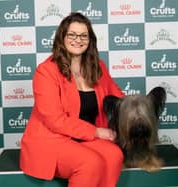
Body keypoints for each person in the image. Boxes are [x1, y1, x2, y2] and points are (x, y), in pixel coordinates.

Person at [20, 12, 125, 187]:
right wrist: (97, 132)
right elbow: (55, 121)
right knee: (90, 162)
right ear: (62, 37)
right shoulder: (46, 71)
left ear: (90, 40)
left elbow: (119, 99)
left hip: (85, 139)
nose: (78, 40)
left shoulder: (98, 67)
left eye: (84, 35)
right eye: (72, 34)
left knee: (115, 156)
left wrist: (141, 109)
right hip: (52, 139)